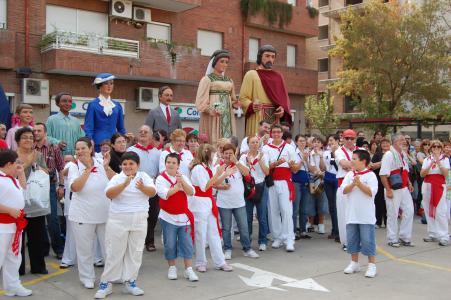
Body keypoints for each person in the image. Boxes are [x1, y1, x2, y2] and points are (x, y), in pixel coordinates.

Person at [95, 152, 156, 298]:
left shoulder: (144, 177)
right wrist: (124, 185)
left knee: (135, 252)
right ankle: (106, 283)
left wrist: (142, 188)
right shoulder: (117, 178)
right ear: (121, 165)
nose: (128, 167)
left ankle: (130, 281)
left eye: (131, 164)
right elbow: (109, 194)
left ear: (137, 165)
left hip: (139, 219)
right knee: (114, 252)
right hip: (118, 219)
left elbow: (152, 192)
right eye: (125, 164)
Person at [67, 137, 115, 288]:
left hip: (104, 213)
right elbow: (76, 187)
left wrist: (106, 167)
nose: (80, 151)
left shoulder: (101, 162)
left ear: (90, 149)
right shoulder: (74, 166)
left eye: (83, 148)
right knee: (85, 249)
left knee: (109, 247)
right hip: (83, 215)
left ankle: (110, 275)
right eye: (78, 149)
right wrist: (87, 170)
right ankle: (87, 277)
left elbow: (116, 180)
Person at [190, 144, 233, 272]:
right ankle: (200, 262)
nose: (215, 156)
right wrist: (219, 173)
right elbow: (205, 187)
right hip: (199, 203)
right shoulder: (198, 168)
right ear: (207, 154)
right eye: (214, 154)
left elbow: (215, 183)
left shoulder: (208, 167)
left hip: (208, 202)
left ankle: (219, 261)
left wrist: (225, 174)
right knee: (200, 233)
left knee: (213, 233)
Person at [156, 153, 198, 282]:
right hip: (168, 218)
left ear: (178, 165)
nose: (171, 165)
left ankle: (188, 269)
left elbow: (191, 192)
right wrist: (176, 188)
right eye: (168, 162)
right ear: (165, 163)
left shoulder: (183, 177)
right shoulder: (160, 178)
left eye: (174, 163)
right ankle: (172, 267)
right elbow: (164, 194)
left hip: (183, 218)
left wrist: (182, 183)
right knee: (170, 244)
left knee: (187, 244)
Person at [215, 143, 259, 259]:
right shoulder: (218, 166)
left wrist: (237, 162)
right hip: (224, 203)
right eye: (226, 153)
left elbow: (247, 173)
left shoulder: (239, 164)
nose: (228, 156)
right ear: (222, 154)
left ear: (234, 154)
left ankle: (247, 249)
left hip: (239, 202)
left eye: (231, 153)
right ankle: (227, 249)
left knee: (243, 226)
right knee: (226, 227)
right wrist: (221, 187)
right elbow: (214, 184)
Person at [16, 127, 49, 276]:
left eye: (31, 137)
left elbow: (47, 172)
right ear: (18, 140)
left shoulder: (38, 154)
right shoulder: (10, 155)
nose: (28, 140)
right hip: (17, 199)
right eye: (25, 137)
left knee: (37, 235)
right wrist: (28, 163)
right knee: (18, 236)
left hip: (35, 200)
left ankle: (38, 266)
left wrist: (38, 166)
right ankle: (19, 268)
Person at [239, 45, 292, 136]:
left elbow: (284, 99)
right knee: (256, 142)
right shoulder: (251, 74)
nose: (270, 59)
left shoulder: (278, 76)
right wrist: (252, 105)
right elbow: (243, 98)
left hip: (275, 117)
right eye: (267, 56)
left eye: (272, 57)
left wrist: (282, 110)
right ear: (260, 57)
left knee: (273, 144)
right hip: (257, 115)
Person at [262, 124, 300, 252]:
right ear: (271, 134)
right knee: (273, 210)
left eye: (279, 132)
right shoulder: (266, 148)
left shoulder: (289, 147)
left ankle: (289, 239)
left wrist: (292, 165)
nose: (277, 134)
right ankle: (277, 237)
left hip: (285, 181)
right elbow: (266, 166)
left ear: (282, 133)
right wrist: (275, 164)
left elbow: (295, 169)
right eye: (274, 132)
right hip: (272, 182)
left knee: (286, 210)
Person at [0, 149, 32, 297]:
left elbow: (23, 189)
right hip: (3, 225)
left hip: (15, 224)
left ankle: (13, 285)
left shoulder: (10, 178)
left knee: (14, 256)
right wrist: (8, 210)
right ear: (8, 164)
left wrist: (20, 173)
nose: (18, 165)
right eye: (16, 163)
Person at [342, 150, 378, 278]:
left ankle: (372, 265)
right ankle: (354, 263)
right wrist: (353, 183)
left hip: (366, 216)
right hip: (352, 214)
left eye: (354, 158)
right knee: (352, 240)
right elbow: (344, 190)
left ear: (363, 161)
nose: (352, 161)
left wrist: (359, 184)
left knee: (368, 241)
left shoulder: (371, 175)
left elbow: (370, 192)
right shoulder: (349, 174)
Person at [33, 123, 65, 259]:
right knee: (38, 219)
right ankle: (44, 248)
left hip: (50, 186)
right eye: (34, 131)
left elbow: (61, 167)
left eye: (39, 131)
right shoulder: (30, 149)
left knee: (52, 219)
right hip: (34, 187)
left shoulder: (53, 148)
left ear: (45, 133)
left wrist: (61, 186)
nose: (36, 133)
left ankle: (58, 248)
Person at [128, 125, 161, 252]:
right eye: (140, 131)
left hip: (152, 187)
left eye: (145, 132)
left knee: (152, 216)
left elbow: (160, 170)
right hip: (136, 187)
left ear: (151, 136)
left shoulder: (157, 152)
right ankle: (137, 242)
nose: (142, 133)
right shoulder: (131, 150)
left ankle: (150, 241)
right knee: (137, 216)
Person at [196, 50, 239, 143]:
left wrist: (235, 104)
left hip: (227, 115)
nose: (224, 64)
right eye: (222, 61)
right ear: (214, 63)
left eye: (226, 62)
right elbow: (200, 101)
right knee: (214, 140)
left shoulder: (230, 80)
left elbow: (233, 99)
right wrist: (211, 110)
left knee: (228, 141)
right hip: (213, 117)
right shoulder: (207, 79)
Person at [380, 134, 414, 248]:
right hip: (393, 189)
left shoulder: (402, 154)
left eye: (404, 140)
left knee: (409, 211)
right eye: (401, 140)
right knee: (393, 214)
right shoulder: (389, 155)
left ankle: (404, 236)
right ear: (394, 142)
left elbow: (405, 170)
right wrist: (388, 190)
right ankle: (392, 238)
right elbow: (383, 174)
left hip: (403, 188)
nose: (404, 142)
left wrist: (409, 183)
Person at [240, 136, 270, 251]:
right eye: (252, 142)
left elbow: (267, 172)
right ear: (248, 144)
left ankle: (263, 241)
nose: (255, 144)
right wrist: (248, 162)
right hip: (248, 187)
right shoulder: (243, 156)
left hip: (261, 186)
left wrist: (260, 160)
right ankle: (247, 239)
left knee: (262, 216)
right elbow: (243, 172)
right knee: (247, 217)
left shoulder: (263, 155)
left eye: (257, 142)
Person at [84, 73, 127, 152]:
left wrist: (124, 140)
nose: (109, 86)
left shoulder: (117, 105)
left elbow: (121, 128)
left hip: (114, 144)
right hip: (98, 144)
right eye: (106, 83)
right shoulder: (93, 104)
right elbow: (88, 127)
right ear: (99, 86)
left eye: (111, 83)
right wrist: (90, 141)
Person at [420, 140, 450, 246]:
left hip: (438, 186)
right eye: (434, 146)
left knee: (440, 211)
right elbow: (422, 174)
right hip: (427, 185)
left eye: (438, 147)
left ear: (441, 149)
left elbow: (445, 173)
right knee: (429, 210)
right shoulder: (427, 159)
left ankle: (444, 236)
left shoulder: (445, 159)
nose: (436, 148)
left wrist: (438, 161)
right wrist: (431, 163)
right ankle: (433, 233)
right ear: (431, 148)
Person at [334, 129, 358, 251]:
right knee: (344, 215)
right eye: (347, 138)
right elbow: (344, 164)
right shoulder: (339, 151)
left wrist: (351, 166)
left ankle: (357, 240)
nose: (349, 140)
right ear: (342, 138)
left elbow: (368, 164)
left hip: (358, 187)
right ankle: (346, 242)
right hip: (343, 185)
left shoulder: (361, 150)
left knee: (357, 214)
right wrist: (358, 165)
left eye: (351, 138)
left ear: (355, 139)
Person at [307, 136, 328, 234]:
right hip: (312, 179)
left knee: (321, 202)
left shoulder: (324, 154)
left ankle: (321, 224)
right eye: (314, 142)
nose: (316, 144)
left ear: (322, 144)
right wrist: (317, 172)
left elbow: (323, 168)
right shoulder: (309, 154)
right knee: (310, 201)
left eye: (318, 142)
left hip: (321, 180)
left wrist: (320, 157)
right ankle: (310, 223)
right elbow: (310, 167)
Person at [292, 134, 311, 240]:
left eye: (304, 141)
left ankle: (303, 231)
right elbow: (294, 170)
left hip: (306, 182)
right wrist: (302, 160)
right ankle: (293, 231)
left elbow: (310, 168)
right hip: (296, 182)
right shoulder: (294, 153)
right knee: (295, 208)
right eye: (300, 141)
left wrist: (307, 160)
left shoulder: (308, 153)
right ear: (296, 142)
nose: (302, 142)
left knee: (304, 209)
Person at [60, 155, 77, 269]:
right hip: (72, 206)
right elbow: (64, 173)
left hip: (90, 206)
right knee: (71, 232)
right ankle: (69, 259)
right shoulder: (72, 165)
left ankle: (97, 257)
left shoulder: (95, 163)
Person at [370, 138, 391, 228]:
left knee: (388, 202)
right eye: (383, 143)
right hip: (378, 180)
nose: (385, 144)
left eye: (387, 143)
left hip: (390, 181)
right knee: (378, 201)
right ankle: (378, 222)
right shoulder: (377, 154)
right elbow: (372, 166)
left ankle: (387, 222)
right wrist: (384, 162)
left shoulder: (393, 154)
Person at [323, 134, 339, 241]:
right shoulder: (325, 153)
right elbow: (324, 167)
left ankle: (339, 231)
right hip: (328, 179)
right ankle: (334, 230)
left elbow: (340, 167)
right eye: (329, 140)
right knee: (332, 206)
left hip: (338, 179)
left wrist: (334, 153)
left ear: (337, 141)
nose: (330, 142)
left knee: (338, 206)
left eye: (332, 140)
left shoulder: (341, 152)